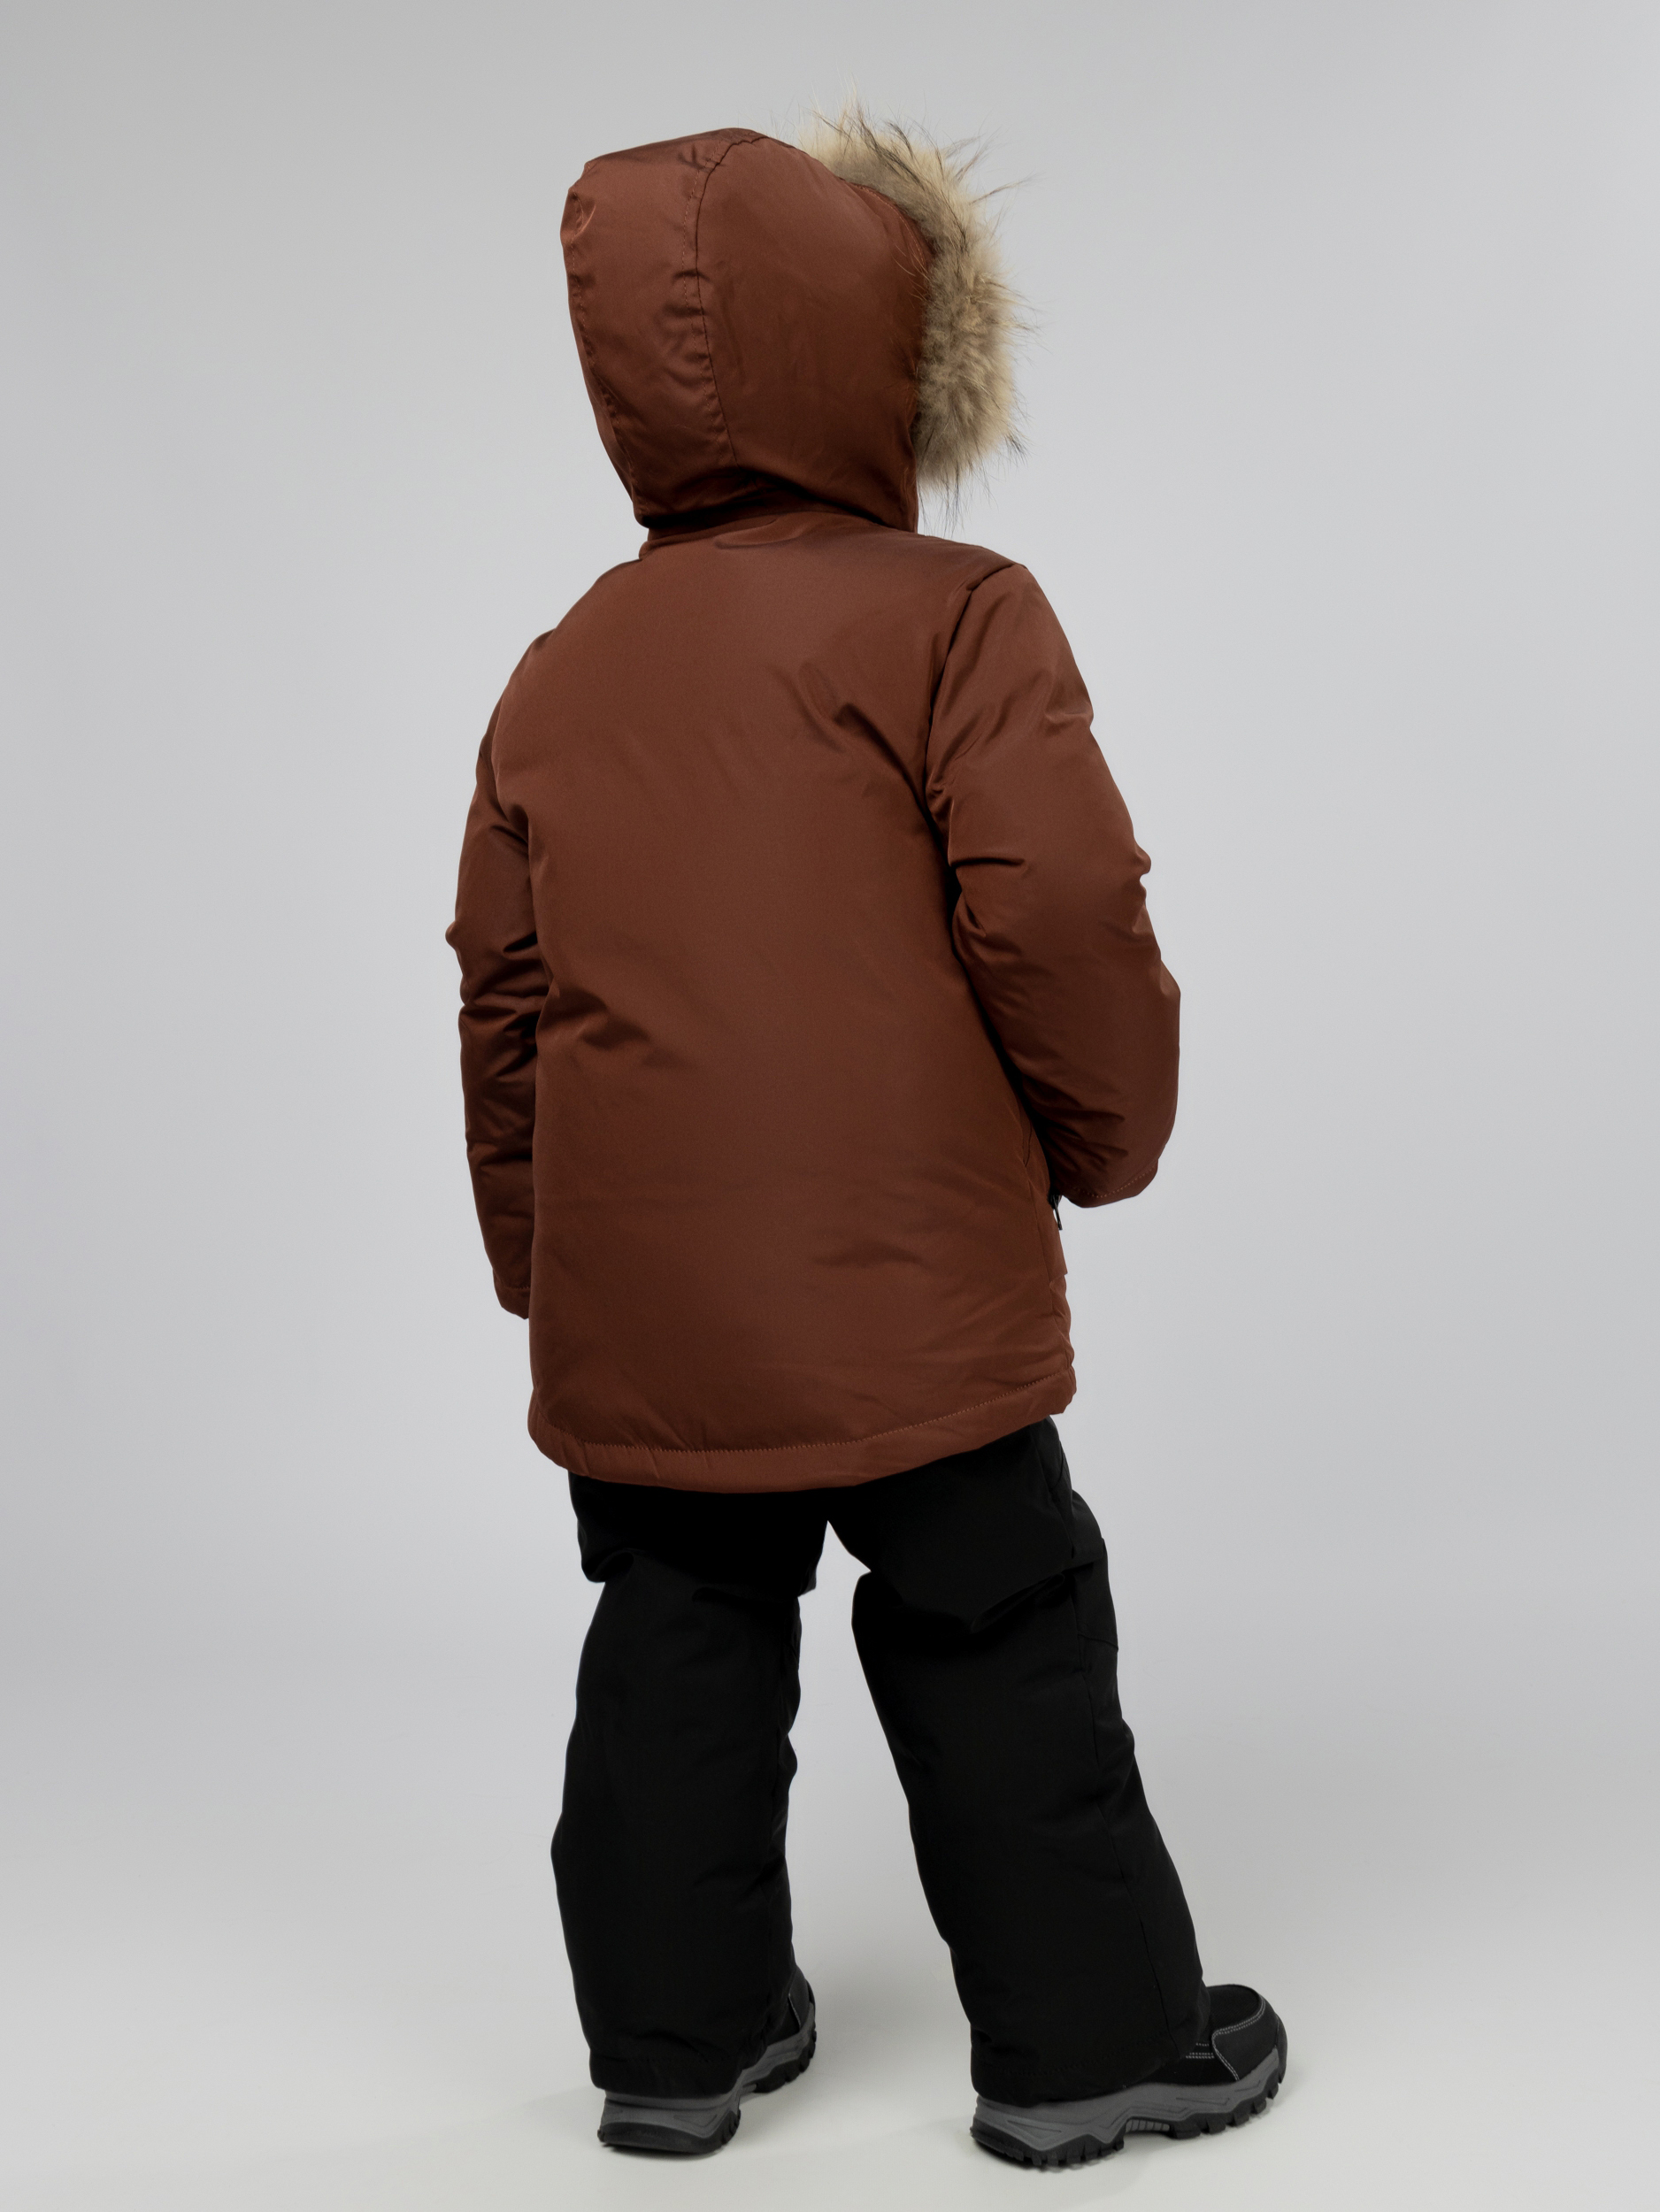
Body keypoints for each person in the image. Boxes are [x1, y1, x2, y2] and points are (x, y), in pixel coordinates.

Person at [446, 106, 1285, 2168]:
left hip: (654, 1302)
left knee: (676, 1631)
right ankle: (1090, 2041)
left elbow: (503, 998)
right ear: (880, 351)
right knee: (995, 1619)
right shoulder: (952, 612)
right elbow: (1055, 904)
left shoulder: (558, 668)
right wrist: (1106, 1130)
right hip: (914, 1284)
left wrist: (546, 1263)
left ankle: (676, 2039)